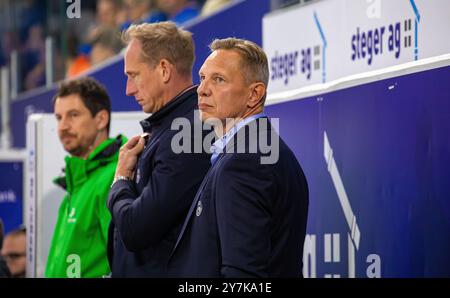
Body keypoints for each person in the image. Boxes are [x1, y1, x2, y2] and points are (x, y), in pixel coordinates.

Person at [168, 38, 309, 277]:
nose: (202, 89)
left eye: (218, 79)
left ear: (254, 94)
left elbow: (243, 275)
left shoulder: (245, 161)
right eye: (202, 78)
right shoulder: (254, 150)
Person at [107, 22, 211, 277]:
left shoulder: (188, 133)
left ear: (164, 69)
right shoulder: (171, 128)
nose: (128, 89)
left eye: (133, 75)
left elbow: (135, 229)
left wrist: (120, 181)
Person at [46, 77, 127, 278]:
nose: (63, 126)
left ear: (101, 119)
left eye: (73, 115)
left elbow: (124, 263)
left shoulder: (113, 177)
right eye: (58, 117)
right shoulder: (76, 186)